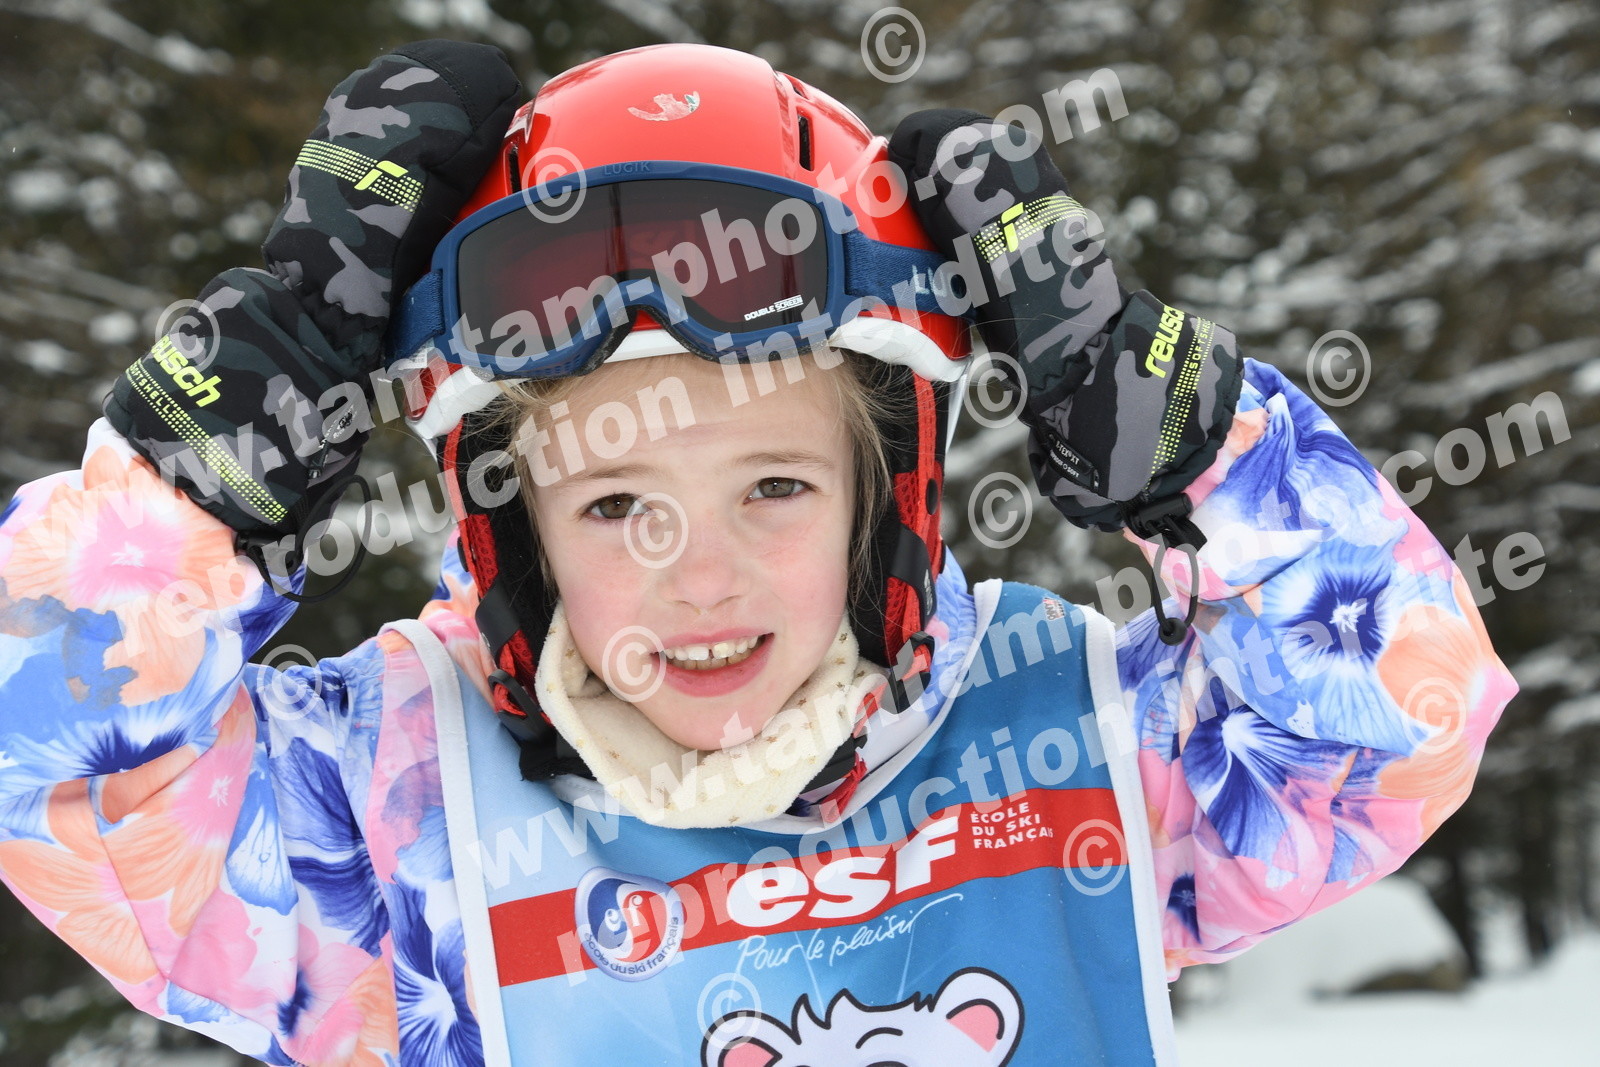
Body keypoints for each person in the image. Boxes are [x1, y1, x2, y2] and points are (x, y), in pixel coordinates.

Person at [0, 39, 1515, 1067]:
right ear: (511, 526)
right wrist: (209, 463)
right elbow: (64, 787)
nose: (700, 576)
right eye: (613, 507)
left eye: (775, 487)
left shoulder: (1070, 741)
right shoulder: (401, 822)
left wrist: (1199, 456)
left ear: (885, 496)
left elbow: (1391, 721)